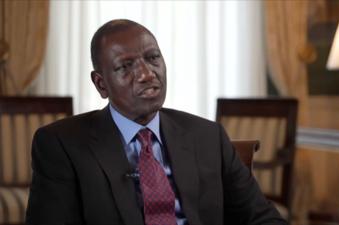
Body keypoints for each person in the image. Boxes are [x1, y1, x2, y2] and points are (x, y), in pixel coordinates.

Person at [26, 19, 287, 225]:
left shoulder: (208, 137)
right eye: (125, 66)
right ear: (101, 84)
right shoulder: (61, 145)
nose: (146, 74)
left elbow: (261, 218)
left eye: (153, 58)